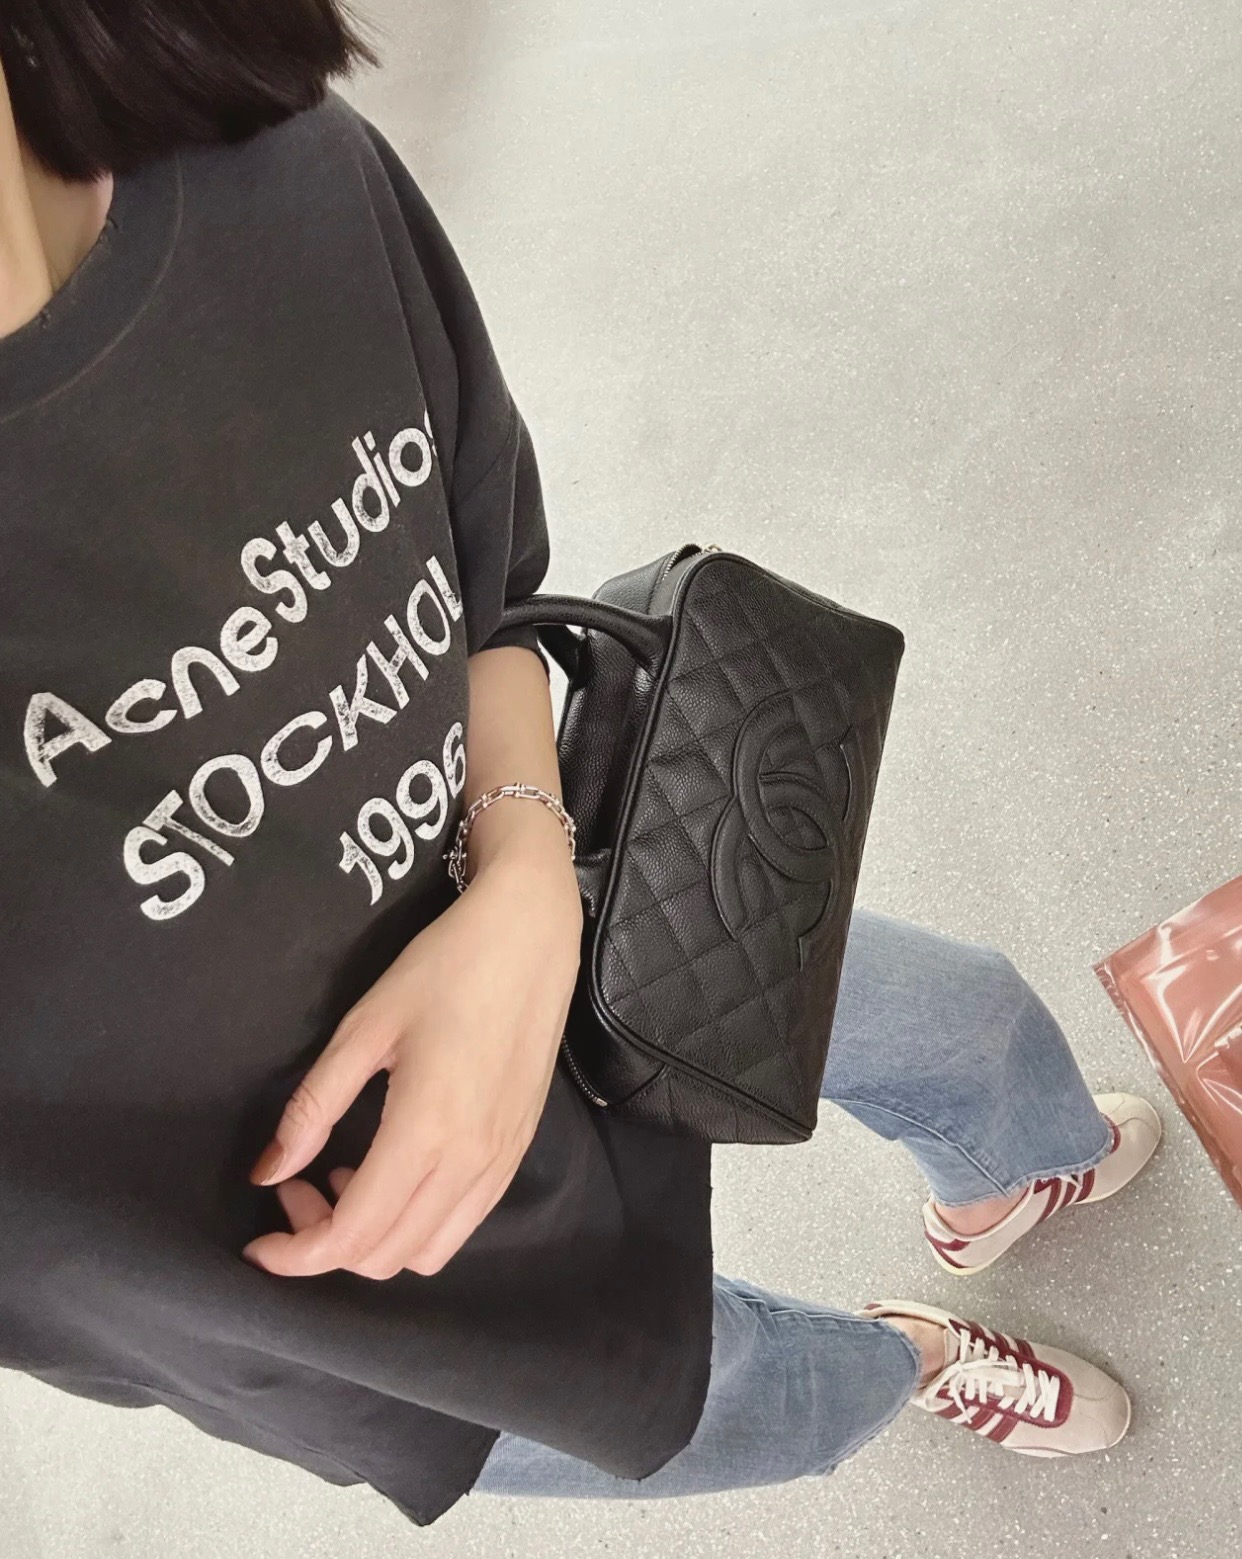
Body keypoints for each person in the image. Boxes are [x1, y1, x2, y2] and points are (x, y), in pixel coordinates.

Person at [0, 1, 1163, 1530]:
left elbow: (485, 587)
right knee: (735, 1400)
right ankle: (911, 1364)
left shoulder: (265, 164)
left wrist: (524, 877)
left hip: (581, 894)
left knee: (964, 1024)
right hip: (343, 1269)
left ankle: (1009, 1178)